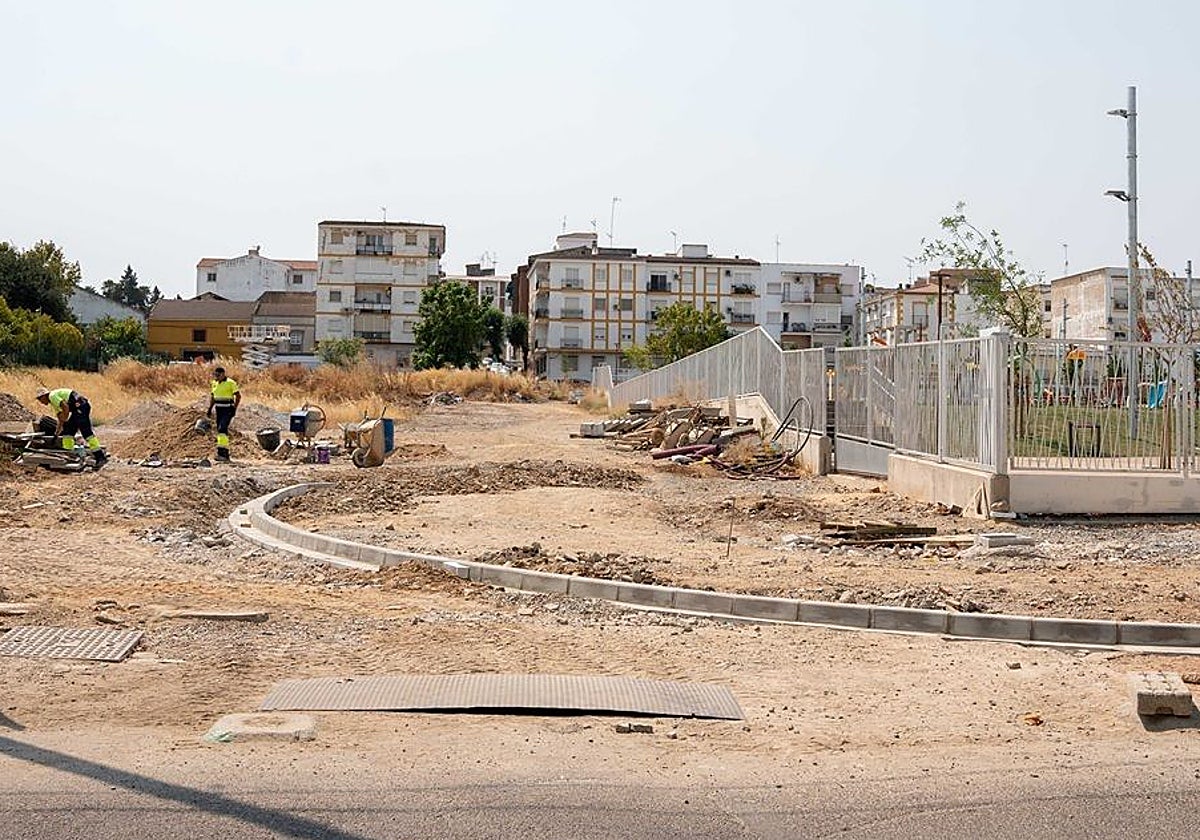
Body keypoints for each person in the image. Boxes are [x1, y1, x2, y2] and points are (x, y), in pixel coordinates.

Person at [35, 387, 108, 466]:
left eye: (40, 399)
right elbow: (60, 419)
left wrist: (65, 419)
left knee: (86, 432)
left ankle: (100, 457)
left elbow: (65, 407)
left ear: (44, 396)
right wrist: (56, 434)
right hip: (77, 409)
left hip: (81, 407)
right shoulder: (54, 403)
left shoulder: (52, 396)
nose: (41, 402)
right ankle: (69, 455)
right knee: (68, 432)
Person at [206, 366, 241, 462]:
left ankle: (224, 453)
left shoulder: (230, 383)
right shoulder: (214, 383)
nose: (216, 377)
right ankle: (221, 452)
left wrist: (234, 408)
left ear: (223, 374)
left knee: (222, 428)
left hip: (228, 409)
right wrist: (210, 409)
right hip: (219, 409)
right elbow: (213, 397)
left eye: (218, 375)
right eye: (215, 375)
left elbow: (238, 396)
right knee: (220, 430)